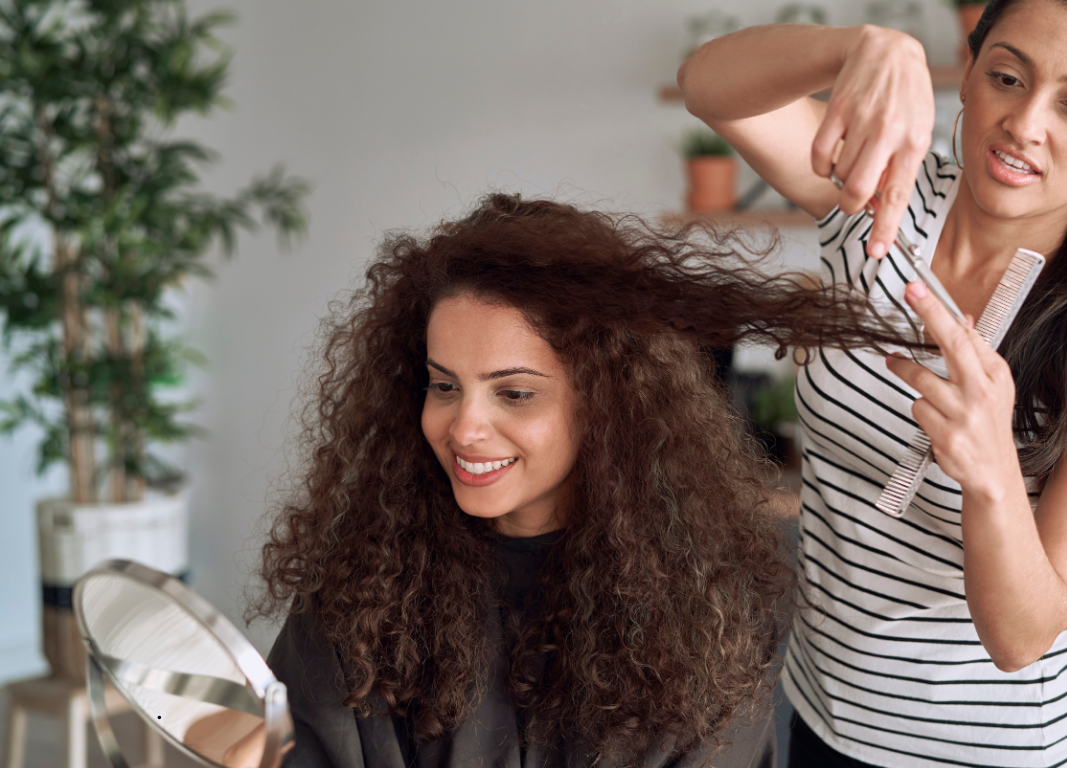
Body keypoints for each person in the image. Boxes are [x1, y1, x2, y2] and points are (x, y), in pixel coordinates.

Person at [677, 1, 1067, 766]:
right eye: (1007, 75)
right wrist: (855, 47)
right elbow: (705, 85)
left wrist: (990, 470)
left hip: (988, 751)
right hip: (821, 717)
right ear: (970, 66)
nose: (1025, 122)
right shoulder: (889, 194)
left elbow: (1023, 637)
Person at [244, 194, 917, 768]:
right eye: (443, 385)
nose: (463, 427)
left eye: (514, 394)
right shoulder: (361, 596)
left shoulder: (705, 615)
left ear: (604, 403)